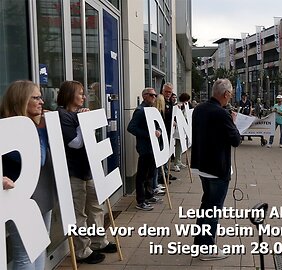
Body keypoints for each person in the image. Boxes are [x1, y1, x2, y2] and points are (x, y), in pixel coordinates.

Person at [57, 80, 117, 263]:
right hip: (73, 170)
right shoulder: (63, 115)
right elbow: (75, 143)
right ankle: (83, 250)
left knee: (95, 207)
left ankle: (99, 241)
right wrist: (83, 123)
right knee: (79, 213)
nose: (84, 97)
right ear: (69, 95)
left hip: (87, 169)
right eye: (80, 93)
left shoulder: (78, 114)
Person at [1, 80, 55, 269]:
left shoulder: (36, 126)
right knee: (25, 255)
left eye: (41, 97)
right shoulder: (9, 130)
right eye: (36, 97)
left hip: (42, 196)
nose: (42, 102)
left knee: (39, 247)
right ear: (21, 100)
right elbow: (37, 158)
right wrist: (40, 129)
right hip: (21, 201)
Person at [190, 79, 241, 260]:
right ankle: (207, 249)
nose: (231, 96)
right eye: (231, 93)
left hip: (202, 166)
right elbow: (236, 140)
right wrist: (233, 122)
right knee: (213, 210)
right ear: (226, 94)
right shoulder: (221, 113)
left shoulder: (199, 109)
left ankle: (200, 243)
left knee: (206, 206)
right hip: (217, 169)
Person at [127, 87, 164, 211]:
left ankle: (149, 195)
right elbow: (131, 127)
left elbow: (158, 125)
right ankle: (141, 201)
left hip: (153, 147)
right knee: (142, 175)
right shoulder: (140, 111)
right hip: (145, 148)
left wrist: (158, 131)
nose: (154, 97)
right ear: (145, 96)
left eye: (155, 95)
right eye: (152, 95)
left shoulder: (151, 110)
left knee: (151, 173)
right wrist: (148, 134)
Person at [172, 93, 191, 171]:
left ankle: (179, 161)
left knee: (181, 146)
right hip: (178, 129)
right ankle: (176, 163)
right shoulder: (179, 106)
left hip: (183, 129)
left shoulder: (186, 106)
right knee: (178, 146)